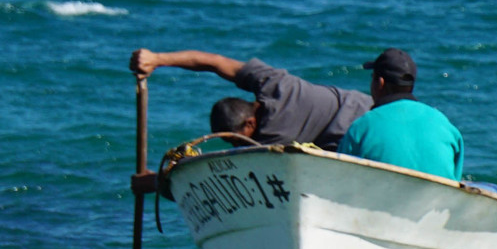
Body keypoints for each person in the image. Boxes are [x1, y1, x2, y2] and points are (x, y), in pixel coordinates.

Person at [130, 46, 369, 148]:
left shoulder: (272, 138)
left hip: (368, 126)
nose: (238, 145)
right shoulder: (272, 83)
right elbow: (214, 62)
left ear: (250, 123)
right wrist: (158, 59)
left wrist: (159, 181)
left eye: (236, 140)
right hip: (366, 102)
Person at [336, 48, 463, 181]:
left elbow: (340, 179)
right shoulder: (445, 125)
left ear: (380, 83)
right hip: (439, 200)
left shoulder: (362, 127)